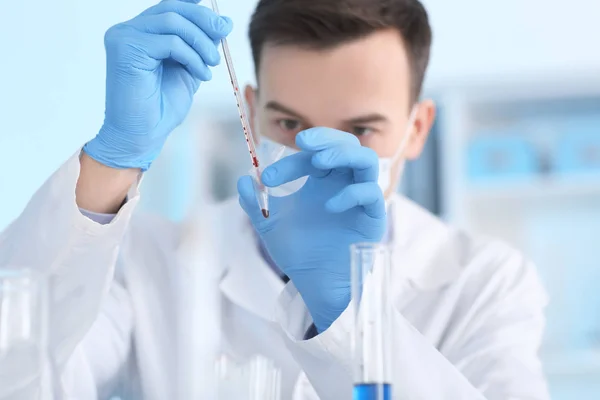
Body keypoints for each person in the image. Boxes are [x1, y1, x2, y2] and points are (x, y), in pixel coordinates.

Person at [0, 0, 550, 399]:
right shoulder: (153, 262)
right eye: (289, 123)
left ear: (417, 127)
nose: (319, 156)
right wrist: (114, 156)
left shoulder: (484, 283)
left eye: (362, 130)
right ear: (252, 111)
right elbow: (16, 375)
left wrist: (345, 310)